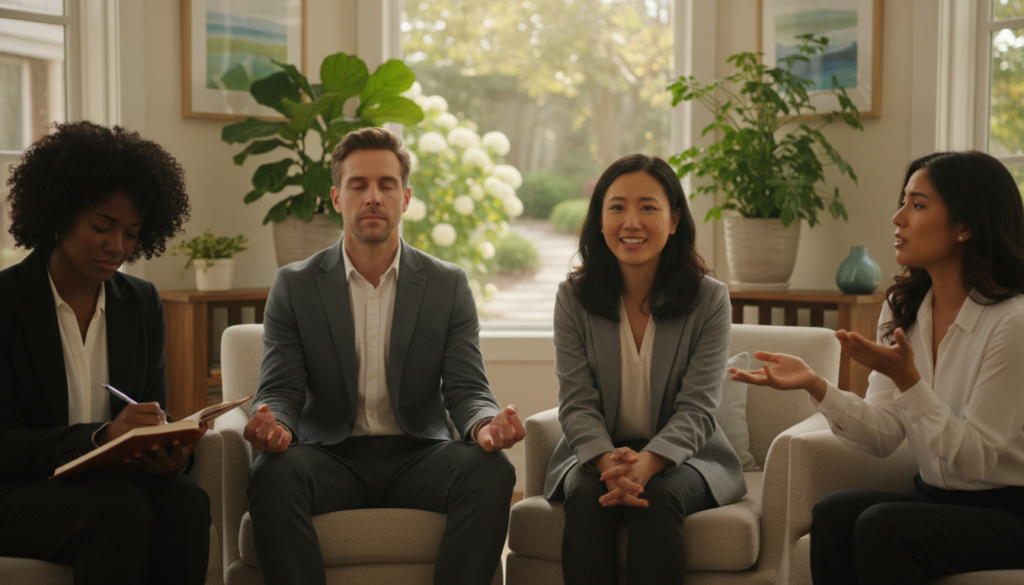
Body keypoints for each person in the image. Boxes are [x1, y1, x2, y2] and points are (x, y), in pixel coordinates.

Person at [243, 126, 523, 585]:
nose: (373, 196)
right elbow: (279, 389)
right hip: (328, 456)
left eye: (386, 185)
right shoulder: (294, 285)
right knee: (272, 474)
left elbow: (467, 388)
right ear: (337, 197)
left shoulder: (446, 284)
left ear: (406, 197)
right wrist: (273, 426)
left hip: (419, 454)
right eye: (358, 185)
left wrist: (485, 424)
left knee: (491, 469)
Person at [729, 151, 1024, 584]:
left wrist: (910, 381)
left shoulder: (1012, 322)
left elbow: (973, 462)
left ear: (965, 227)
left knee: (881, 526)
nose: (897, 218)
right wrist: (816, 385)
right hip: (939, 497)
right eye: (903, 201)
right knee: (833, 513)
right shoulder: (903, 308)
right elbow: (884, 435)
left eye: (918, 205)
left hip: (1010, 507)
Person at [0, 121, 209, 584]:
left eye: (133, 233)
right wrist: (100, 435)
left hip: (106, 486)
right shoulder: (7, 302)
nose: (118, 246)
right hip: (16, 489)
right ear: (58, 215)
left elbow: (152, 410)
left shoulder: (141, 302)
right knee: (120, 510)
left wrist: (171, 451)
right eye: (102, 226)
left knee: (186, 501)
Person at [544, 154, 747, 585]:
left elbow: (699, 408)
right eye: (616, 207)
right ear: (600, 220)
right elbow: (576, 403)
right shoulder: (572, 298)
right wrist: (607, 464)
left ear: (674, 220)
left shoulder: (709, 298)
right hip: (599, 452)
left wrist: (647, 463)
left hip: (686, 457)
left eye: (648, 207)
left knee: (657, 493)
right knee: (585, 497)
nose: (630, 221)